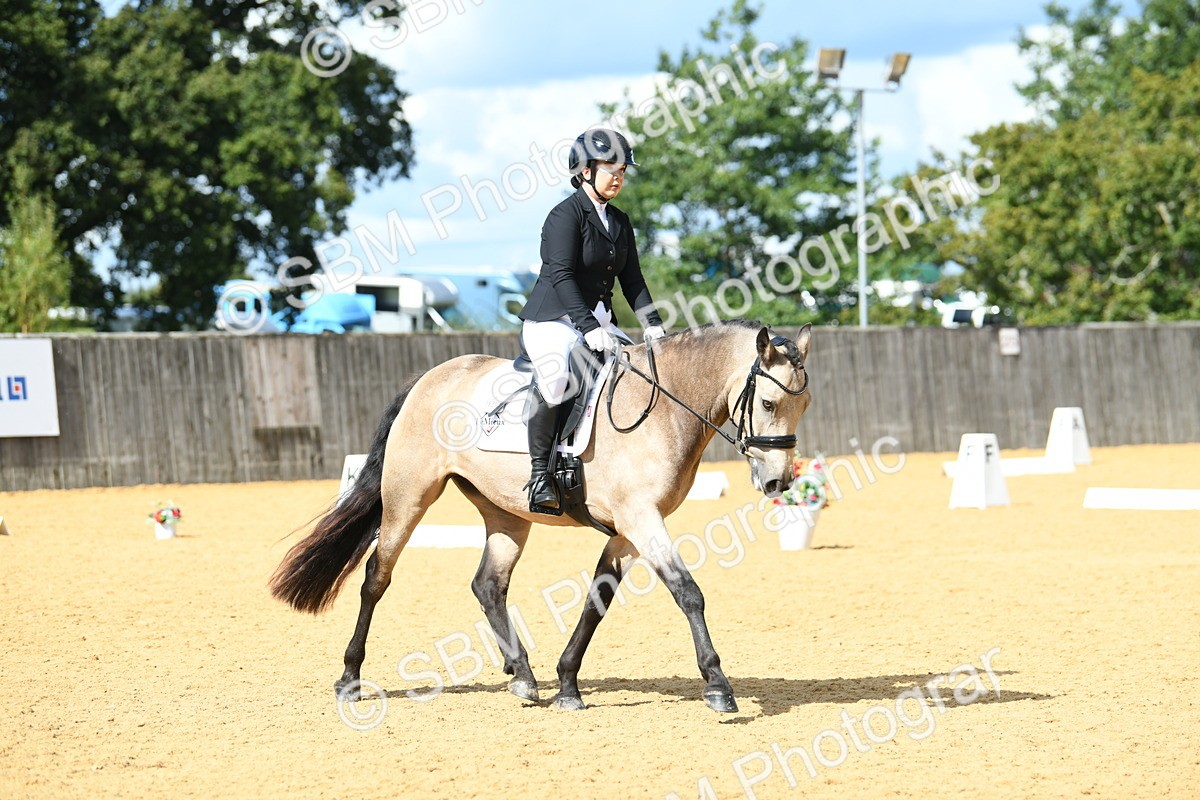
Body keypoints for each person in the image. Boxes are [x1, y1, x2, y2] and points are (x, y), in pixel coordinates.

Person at [518, 127, 666, 513]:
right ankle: (539, 476)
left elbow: (633, 280)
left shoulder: (619, 221)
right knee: (556, 380)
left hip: (598, 323)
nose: (618, 177)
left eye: (623, 171)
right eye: (610, 169)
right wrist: (588, 328)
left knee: (640, 372)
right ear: (585, 170)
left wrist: (652, 323)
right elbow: (561, 275)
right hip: (553, 320)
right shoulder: (564, 216)